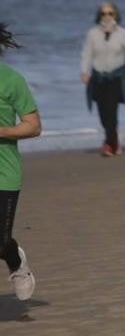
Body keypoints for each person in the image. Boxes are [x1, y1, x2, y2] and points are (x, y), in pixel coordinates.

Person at [1, 23, 41, 302]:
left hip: (5, 171)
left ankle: (17, 264)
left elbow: (33, 126)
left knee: (1, 241)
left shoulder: (11, 79)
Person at [81, 1, 125, 156]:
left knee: (111, 111)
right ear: (99, 15)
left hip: (115, 77)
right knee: (102, 113)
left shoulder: (123, 34)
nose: (107, 16)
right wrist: (84, 72)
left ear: (116, 15)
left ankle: (109, 143)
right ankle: (113, 139)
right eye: (103, 13)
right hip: (98, 77)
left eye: (110, 13)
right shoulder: (92, 33)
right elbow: (87, 54)